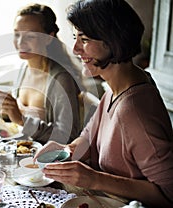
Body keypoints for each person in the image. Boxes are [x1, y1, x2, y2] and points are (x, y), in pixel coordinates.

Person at [33, 0, 173, 207]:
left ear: (113, 41)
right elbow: (89, 135)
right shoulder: (117, 86)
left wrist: (95, 178)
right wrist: (66, 150)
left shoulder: (134, 111)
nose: (75, 48)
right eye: (75, 38)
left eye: (85, 39)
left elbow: (168, 194)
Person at [0, 3, 83, 144]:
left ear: (48, 38)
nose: (20, 42)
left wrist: (22, 120)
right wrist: (5, 108)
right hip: (23, 152)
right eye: (17, 34)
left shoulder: (61, 80)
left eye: (30, 36)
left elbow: (68, 136)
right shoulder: (23, 69)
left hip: (46, 161)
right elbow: (17, 120)